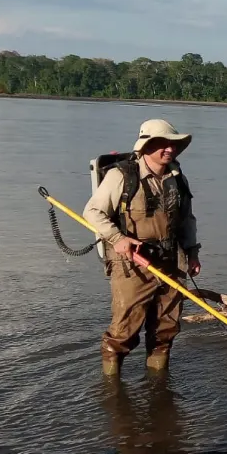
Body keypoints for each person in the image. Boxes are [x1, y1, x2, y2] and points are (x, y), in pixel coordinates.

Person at [84, 119, 201, 376]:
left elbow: (187, 220)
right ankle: (113, 394)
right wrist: (118, 238)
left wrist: (192, 253)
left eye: (173, 144)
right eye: (162, 143)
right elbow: (92, 212)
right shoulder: (121, 177)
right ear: (146, 146)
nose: (169, 149)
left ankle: (158, 381)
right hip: (132, 264)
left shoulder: (178, 178)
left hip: (171, 262)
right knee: (123, 332)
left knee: (165, 331)